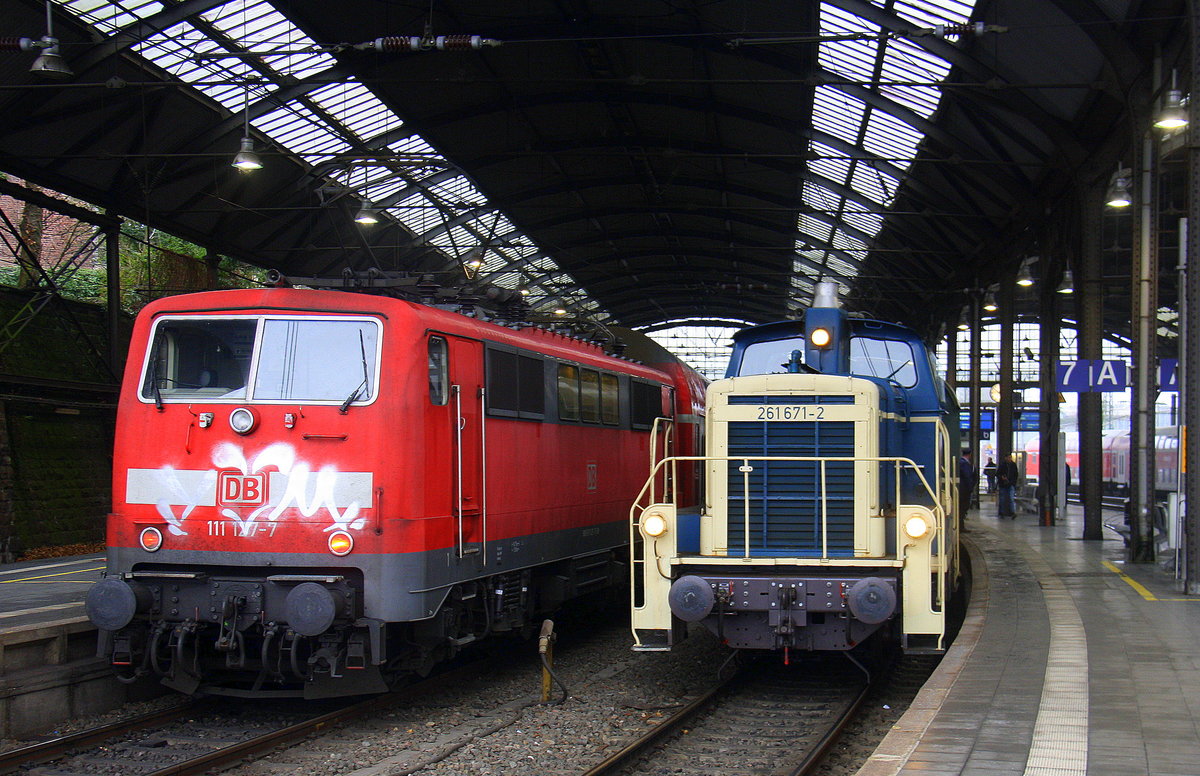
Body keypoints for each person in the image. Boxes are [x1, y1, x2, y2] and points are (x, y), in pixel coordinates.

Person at [997, 453, 1019, 518]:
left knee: (1011, 498)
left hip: (1010, 484)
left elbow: (1016, 475)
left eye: (1010, 457)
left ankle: (1012, 512)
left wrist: (1013, 482)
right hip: (1003, 484)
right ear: (1005, 458)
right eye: (1008, 457)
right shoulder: (1002, 465)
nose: (1009, 459)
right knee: (1002, 499)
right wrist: (1002, 477)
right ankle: (1002, 512)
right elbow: (997, 474)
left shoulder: (1013, 465)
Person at [958, 450, 975, 516]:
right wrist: (970, 487)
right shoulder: (964, 464)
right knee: (964, 506)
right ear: (970, 454)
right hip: (964, 489)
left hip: (962, 488)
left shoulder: (961, 462)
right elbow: (967, 476)